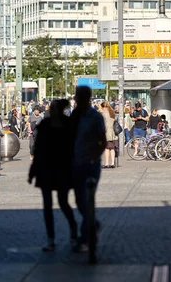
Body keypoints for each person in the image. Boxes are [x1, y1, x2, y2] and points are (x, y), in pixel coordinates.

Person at [28, 99, 78, 251]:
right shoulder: (49, 124)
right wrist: (33, 171)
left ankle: (65, 234)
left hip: (59, 169)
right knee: (50, 205)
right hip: (50, 169)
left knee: (60, 203)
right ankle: (56, 236)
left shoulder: (66, 124)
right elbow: (38, 150)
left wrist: (33, 171)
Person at [69, 86, 106, 253]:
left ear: (86, 98)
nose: (77, 99)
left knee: (87, 199)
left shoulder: (95, 117)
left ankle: (85, 237)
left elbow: (103, 141)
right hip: (76, 164)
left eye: (79, 96)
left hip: (91, 164)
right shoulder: (75, 116)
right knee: (79, 200)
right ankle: (93, 224)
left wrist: (94, 157)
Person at [99, 101, 118, 169]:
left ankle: (106, 163)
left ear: (103, 106)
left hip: (107, 133)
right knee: (112, 148)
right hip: (114, 134)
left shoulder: (103, 113)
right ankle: (112, 163)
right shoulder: (112, 112)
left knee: (107, 149)